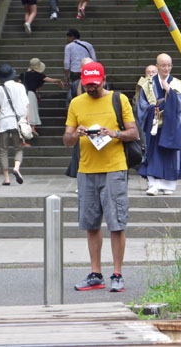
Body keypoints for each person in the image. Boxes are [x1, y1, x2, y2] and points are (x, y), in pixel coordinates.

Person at [63, 62, 139, 292]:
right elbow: (66, 140)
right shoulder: (76, 103)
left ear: (104, 80)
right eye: (87, 85)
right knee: (91, 223)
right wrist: (75, 134)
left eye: (95, 85)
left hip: (114, 169)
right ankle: (95, 273)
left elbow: (133, 132)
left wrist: (113, 133)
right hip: (86, 170)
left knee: (116, 223)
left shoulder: (119, 99)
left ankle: (117, 274)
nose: (91, 89)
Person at [137, 53, 181, 195]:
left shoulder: (177, 84)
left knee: (170, 155)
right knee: (153, 153)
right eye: (163, 65)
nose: (166, 68)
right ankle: (153, 184)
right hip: (154, 125)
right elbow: (141, 104)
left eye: (169, 65)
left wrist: (169, 91)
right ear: (157, 66)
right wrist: (153, 109)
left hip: (170, 126)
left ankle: (169, 185)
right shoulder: (147, 84)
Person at [0, 64, 28, 186]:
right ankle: (16, 168)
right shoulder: (21, 87)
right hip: (17, 122)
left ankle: (6, 178)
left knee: (3, 150)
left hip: (3, 122)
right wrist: (27, 121)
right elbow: (26, 105)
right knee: (18, 148)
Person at [19, 58, 64, 136]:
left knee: (24, 111)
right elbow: (51, 80)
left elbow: (19, 83)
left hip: (22, 94)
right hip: (31, 94)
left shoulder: (23, 74)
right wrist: (59, 80)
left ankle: (24, 127)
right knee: (33, 110)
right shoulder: (39, 75)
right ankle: (32, 127)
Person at [134, 64, 158, 155]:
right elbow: (141, 106)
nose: (151, 74)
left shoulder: (163, 85)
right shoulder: (142, 87)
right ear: (145, 75)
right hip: (147, 119)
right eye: (148, 72)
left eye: (153, 72)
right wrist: (151, 108)